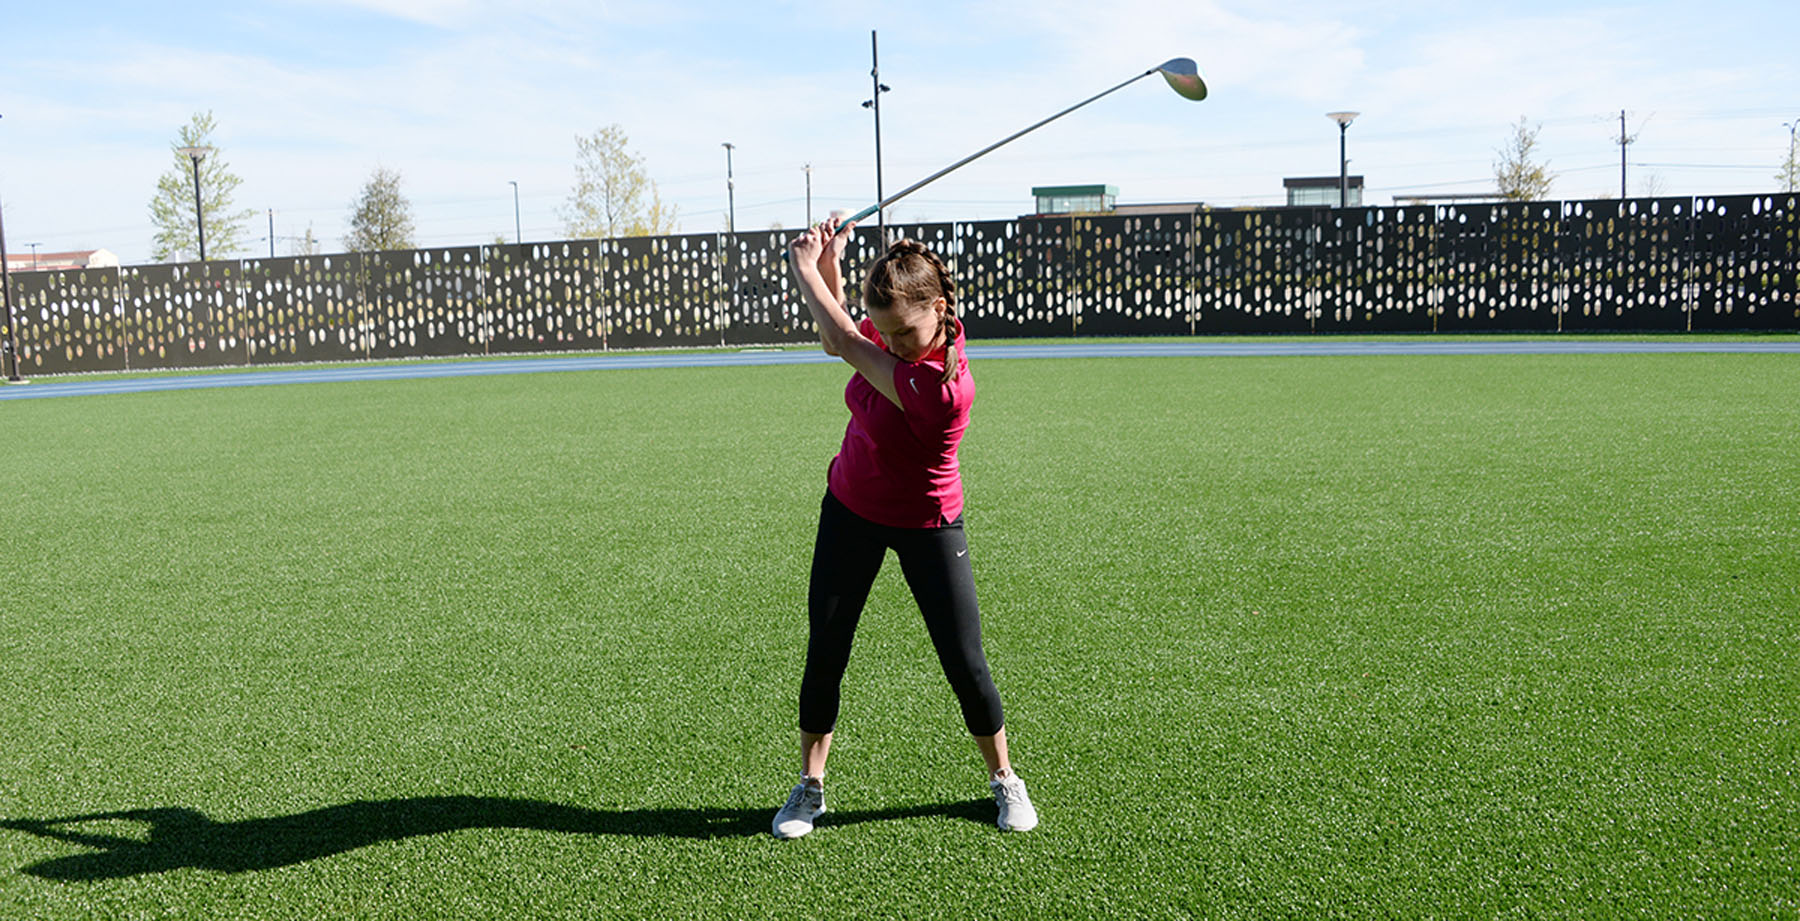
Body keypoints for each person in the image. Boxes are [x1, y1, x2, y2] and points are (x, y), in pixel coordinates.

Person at [771, 217, 1037, 839]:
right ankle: (810, 787)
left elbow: (844, 340)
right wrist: (833, 260)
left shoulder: (944, 388)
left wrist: (805, 266)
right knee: (826, 651)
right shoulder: (895, 340)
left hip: (928, 521)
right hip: (851, 506)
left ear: (939, 309)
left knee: (964, 660)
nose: (890, 343)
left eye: (902, 332)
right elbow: (842, 331)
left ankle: (1004, 778)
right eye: (883, 332)